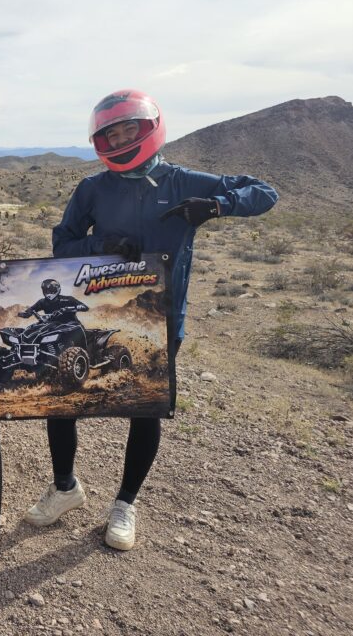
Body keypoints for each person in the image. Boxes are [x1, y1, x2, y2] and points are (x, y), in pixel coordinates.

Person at [23, 89, 277, 551]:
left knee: (144, 406)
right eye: (110, 133)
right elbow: (62, 244)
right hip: (97, 306)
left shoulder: (184, 183)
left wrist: (218, 205)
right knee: (62, 396)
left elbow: (264, 192)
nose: (119, 138)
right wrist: (100, 245)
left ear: (149, 128)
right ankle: (65, 488)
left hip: (160, 315)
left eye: (127, 129)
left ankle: (125, 504)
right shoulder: (92, 189)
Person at [18, 279, 89, 324]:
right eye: (45, 291)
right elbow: (32, 309)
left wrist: (70, 308)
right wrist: (26, 313)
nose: (48, 293)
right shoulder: (42, 302)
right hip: (53, 326)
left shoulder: (68, 299)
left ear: (56, 289)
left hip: (71, 325)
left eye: (50, 290)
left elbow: (85, 307)